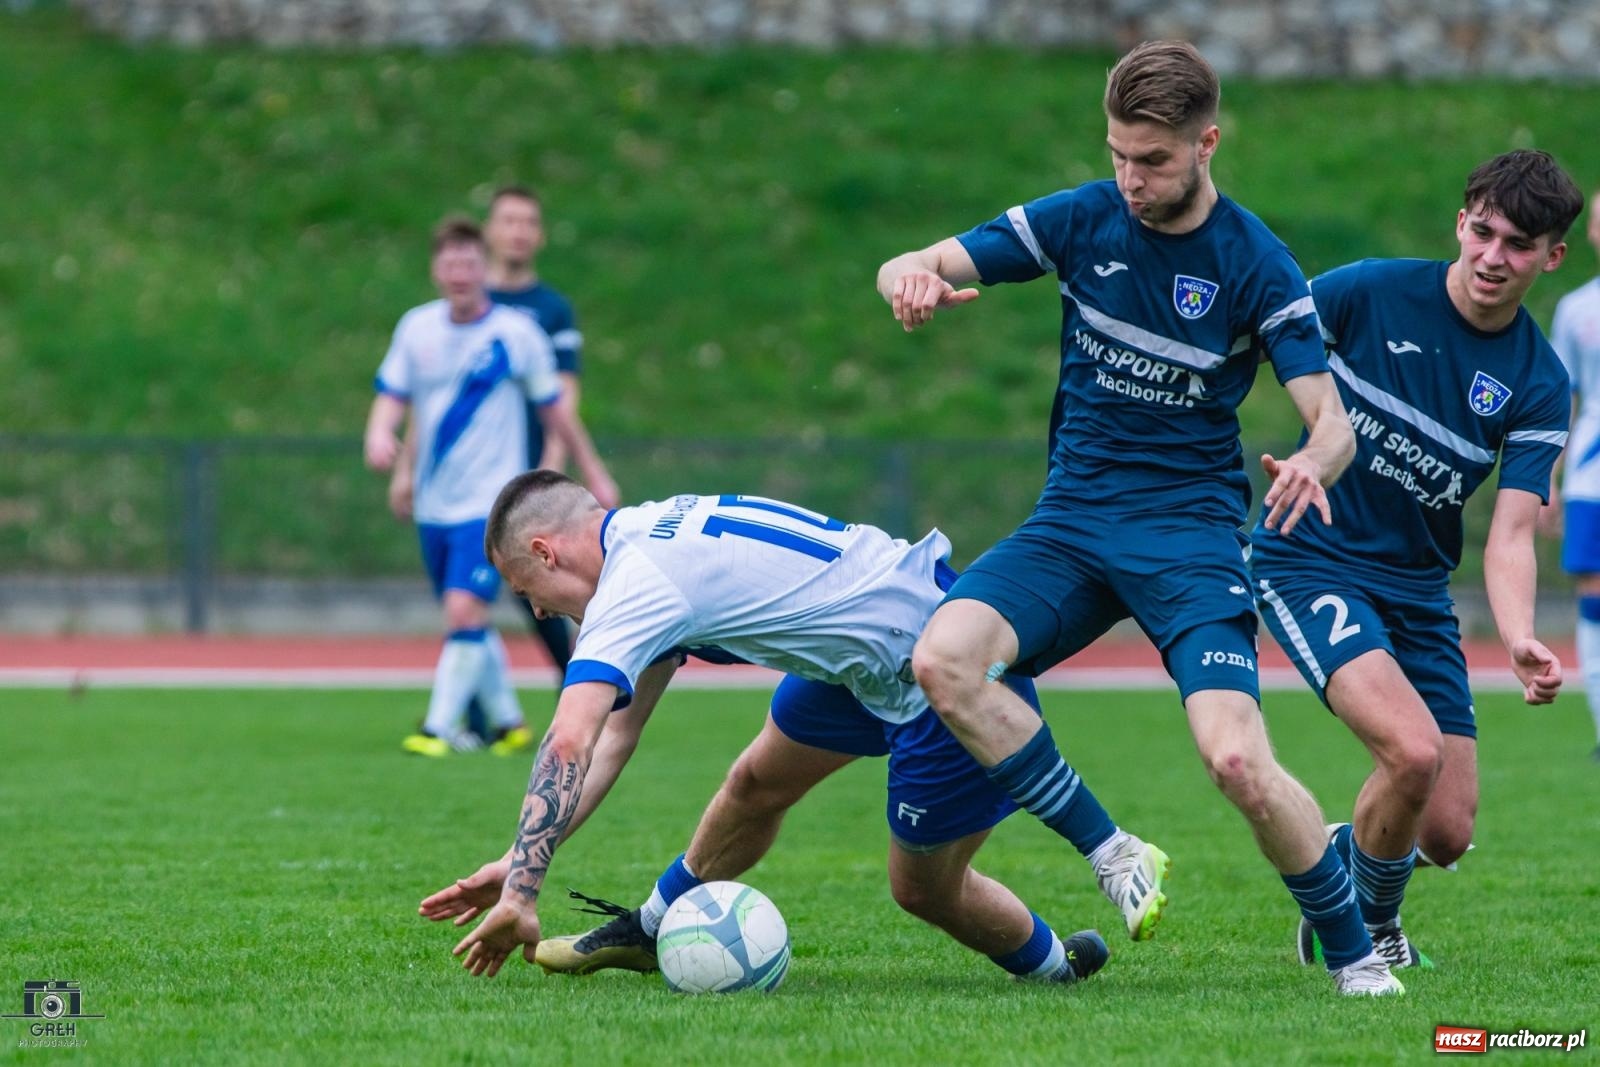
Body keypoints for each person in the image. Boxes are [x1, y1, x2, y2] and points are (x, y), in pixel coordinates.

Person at [876, 40, 1399, 996]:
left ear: (1207, 143)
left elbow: (1333, 423)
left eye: (1152, 160)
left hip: (1191, 538)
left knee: (1237, 759)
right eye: (1118, 153)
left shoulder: (1255, 263)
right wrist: (906, 272)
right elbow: (923, 256)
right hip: (1071, 525)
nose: (1130, 178)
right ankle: (1114, 851)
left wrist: (1314, 461)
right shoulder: (1081, 218)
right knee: (940, 657)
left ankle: (1357, 952)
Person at [429, 471, 1177, 984]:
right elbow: (615, 736)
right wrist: (523, 856)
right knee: (755, 782)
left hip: (936, 671)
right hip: (861, 662)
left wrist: (522, 893)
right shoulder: (650, 534)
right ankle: (652, 929)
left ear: (543, 550)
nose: (537, 610)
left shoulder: (636, 585)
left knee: (922, 889)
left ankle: (1056, 966)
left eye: (529, 590)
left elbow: (568, 738)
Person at [1251, 150, 1583, 970]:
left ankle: (1346, 853)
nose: (1493, 257)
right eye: (1483, 232)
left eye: (1518, 244)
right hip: (1310, 557)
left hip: (1418, 589)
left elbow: (1510, 532)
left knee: (1447, 828)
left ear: (1553, 256)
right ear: (1460, 222)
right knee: (1412, 750)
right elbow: (1260, 335)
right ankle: (1364, 934)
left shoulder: (1540, 380)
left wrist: (1518, 637)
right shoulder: (1368, 290)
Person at [364, 217, 617, 757]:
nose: (460, 273)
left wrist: (589, 470)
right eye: (449, 262)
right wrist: (383, 438)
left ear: (486, 267)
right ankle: (507, 724)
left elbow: (558, 412)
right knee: (467, 620)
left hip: (488, 503)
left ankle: (437, 730)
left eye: (469, 262)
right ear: (436, 270)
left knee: (463, 612)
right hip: (435, 501)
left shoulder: (515, 334)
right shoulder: (417, 328)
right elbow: (396, 398)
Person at [482, 184, 588, 686]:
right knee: (469, 594)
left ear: (540, 235)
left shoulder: (551, 309)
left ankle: (579, 681)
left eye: (528, 223)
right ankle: (481, 714)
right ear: (490, 231)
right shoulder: (467, 305)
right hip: (471, 469)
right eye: (509, 221)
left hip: (525, 465)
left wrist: (552, 459)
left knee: (537, 580)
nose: (518, 232)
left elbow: (564, 393)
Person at [1549, 188, 1600, 762]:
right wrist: (1551, 481)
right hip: (1591, 474)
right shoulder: (1577, 310)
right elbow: (1560, 400)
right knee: (1594, 594)